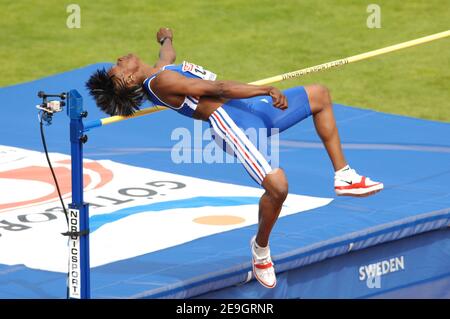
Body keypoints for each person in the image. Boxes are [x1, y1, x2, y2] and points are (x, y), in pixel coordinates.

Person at [86, 27, 383, 289]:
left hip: (251, 109)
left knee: (319, 95)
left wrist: (166, 37)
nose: (119, 59)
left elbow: (168, 56)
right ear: (126, 79)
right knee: (279, 187)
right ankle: (261, 250)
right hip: (233, 125)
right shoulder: (160, 85)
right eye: (116, 66)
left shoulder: (159, 73)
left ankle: (344, 175)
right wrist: (264, 88)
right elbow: (218, 88)